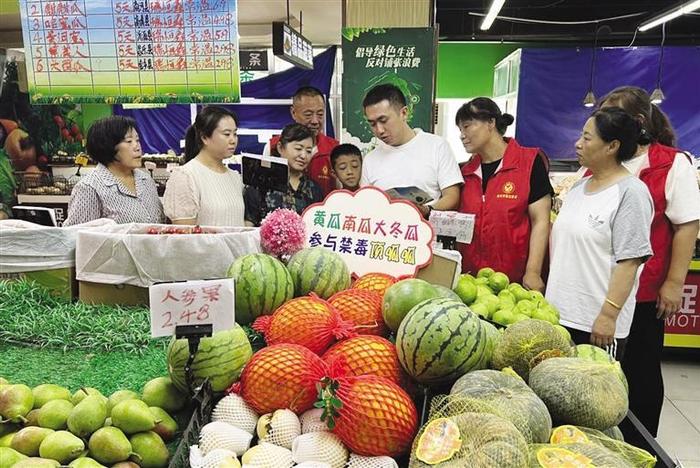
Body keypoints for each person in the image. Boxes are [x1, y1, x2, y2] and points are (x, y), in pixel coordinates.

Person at [600, 86, 700, 436]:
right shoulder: (604, 161)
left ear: (638, 121)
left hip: (644, 291)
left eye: (611, 115)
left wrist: (674, 283)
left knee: (640, 370)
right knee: (602, 372)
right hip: (601, 287)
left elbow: (687, 225)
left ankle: (642, 444)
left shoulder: (671, 163)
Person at [546, 107, 654, 360]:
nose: (578, 144)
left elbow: (630, 262)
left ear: (612, 146)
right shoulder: (578, 187)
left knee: (596, 397)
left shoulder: (631, 193)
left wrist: (608, 315)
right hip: (559, 316)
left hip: (596, 325)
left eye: (587, 137)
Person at [456, 98, 552, 289]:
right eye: (460, 130)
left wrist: (532, 272)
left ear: (490, 123)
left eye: (467, 126)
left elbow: (541, 220)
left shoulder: (530, 162)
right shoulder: (464, 173)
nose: (462, 135)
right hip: (472, 282)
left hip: (515, 280)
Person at [360, 83, 462, 218]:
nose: (379, 130)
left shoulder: (436, 146)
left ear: (404, 113)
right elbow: (365, 203)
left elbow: (452, 196)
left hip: (428, 234)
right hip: (385, 236)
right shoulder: (371, 159)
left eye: (383, 120)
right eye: (372, 124)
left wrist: (427, 210)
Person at [63, 116, 163, 226]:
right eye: (129, 141)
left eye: (137, 140)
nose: (137, 147)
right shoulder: (89, 187)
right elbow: (76, 236)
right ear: (107, 146)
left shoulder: (146, 180)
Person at [163, 106, 245, 226]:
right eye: (227, 134)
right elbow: (184, 236)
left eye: (235, 134)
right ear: (205, 137)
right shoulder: (186, 176)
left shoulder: (235, 177)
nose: (233, 140)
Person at [263, 86, 339, 196]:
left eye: (320, 114)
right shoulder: (273, 147)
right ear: (293, 113)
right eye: (308, 115)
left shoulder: (334, 149)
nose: (315, 121)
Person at [244, 123, 323, 226]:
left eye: (308, 151)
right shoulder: (259, 185)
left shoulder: (315, 189)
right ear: (280, 148)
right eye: (298, 149)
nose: (304, 156)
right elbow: (248, 225)